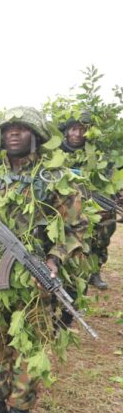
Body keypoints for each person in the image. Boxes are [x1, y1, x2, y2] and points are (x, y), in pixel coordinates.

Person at [0, 107, 87, 413]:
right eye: (9, 129)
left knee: (28, 345)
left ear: (37, 136)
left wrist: (54, 260)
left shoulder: (54, 179)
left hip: (33, 278)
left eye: (22, 129)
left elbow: (75, 229)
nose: (13, 134)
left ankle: (21, 410)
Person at [59, 111, 115, 290]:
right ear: (66, 132)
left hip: (93, 201)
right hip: (64, 203)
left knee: (104, 231)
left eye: (82, 130)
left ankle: (95, 271)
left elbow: (108, 179)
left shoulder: (96, 153)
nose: (77, 134)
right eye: (73, 129)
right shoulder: (55, 151)